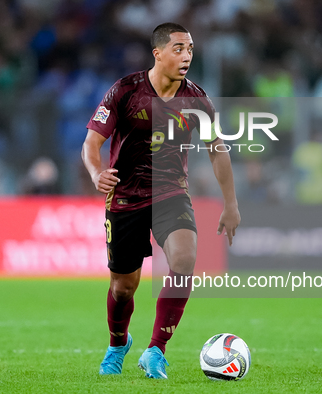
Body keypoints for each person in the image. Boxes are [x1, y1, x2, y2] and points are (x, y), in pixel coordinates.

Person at [81, 23, 240, 379]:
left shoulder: (197, 99)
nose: (187, 56)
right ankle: (118, 343)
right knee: (123, 287)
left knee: (184, 261)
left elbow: (218, 151)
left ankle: (156, 350)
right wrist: (95, 174)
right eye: (179, 49)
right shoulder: (124, 91)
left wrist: (230, 204)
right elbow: (92, 143)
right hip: (124, 196)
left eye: (191, 49)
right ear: (158, 53)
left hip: (171, 192)